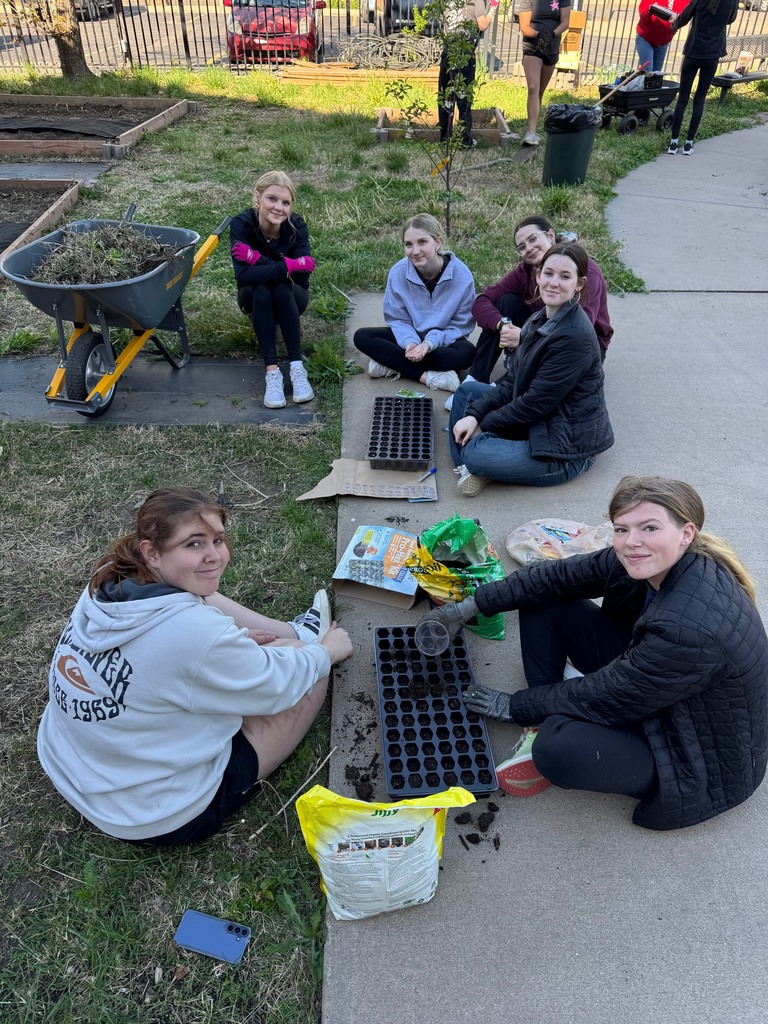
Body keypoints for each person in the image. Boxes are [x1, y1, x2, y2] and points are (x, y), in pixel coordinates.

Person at [419, 476, 768, 831]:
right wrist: (468, 607)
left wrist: (514, 705)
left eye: (649, 528)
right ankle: (544, 716)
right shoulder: (645, 561)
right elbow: (554, 577)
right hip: (660, 682)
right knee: (544, 599)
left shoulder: (687, 629)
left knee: (555, 750)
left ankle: (546, 722)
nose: (632, 542)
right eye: (622, 529)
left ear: (686, 532)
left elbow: (608, 693)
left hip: (695, 749)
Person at [37, 487, 353, 846]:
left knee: (201, 593)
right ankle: (308, 637)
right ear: (151, 552)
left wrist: (220, 651)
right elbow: (277, 685)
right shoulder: (194, 634)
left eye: (217, 539)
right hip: (154, 813)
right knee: (306, 668)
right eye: (194, 544)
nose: (215, 556)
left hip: (69, 761)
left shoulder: (109, 579)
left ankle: (298, 632)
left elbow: (170, 650)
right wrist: (325, 653)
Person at [449, 241, 613, 496]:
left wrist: (483, 423)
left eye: (565, 276)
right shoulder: (538, 319)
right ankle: (472, 468)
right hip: (540, 422)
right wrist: (475, 415)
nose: (553, 282)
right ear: (538, 276)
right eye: (548, 273)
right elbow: (512, 381)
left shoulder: (575, 336)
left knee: (474, 447)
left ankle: (475, 461)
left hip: (563, 449)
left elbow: (536, 403)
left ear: (579, 284)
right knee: (466, 392)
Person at [468, 215, 613, 387]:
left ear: (550, 235)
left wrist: (524, 338)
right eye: (522, 247)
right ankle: (475, 379)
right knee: (505, 302)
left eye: (533, 239)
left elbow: (578, 333)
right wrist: (503, 325)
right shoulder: (526, 271)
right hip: (540, 331)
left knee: (541, 376)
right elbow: (482, 301)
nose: (528, 248)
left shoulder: (584, 270)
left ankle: (500, 389)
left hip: (583, 347)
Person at [353, 213, 477, 395]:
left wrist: (428, 344)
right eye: (408, 244)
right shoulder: (398, 273)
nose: (415, 250)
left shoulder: (462, 275)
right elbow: (397, 319)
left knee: (467, 353)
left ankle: (391, 364)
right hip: (408, 339)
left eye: (422, 242)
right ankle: (430, 377)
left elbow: (460, 326)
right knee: (362, 337)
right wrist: (410, 343)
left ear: (438, 242)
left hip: (442, 343)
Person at [230, 170, 316, 410]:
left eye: (285, 202)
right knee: (260, 288)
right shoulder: (242, 224)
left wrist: (256, 259)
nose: (279, 207)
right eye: (272, 199)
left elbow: (303, 274)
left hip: (293, 298)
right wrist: (288, 265)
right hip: (251, 299)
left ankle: (297, 368)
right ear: (257, 198)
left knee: (279, 287)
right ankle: (273, 372)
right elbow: (243, 275)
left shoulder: (297, 226)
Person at [667, 0, 739, 155]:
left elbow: (683, 18)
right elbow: (730, 20)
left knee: (683, 99)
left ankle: (673, 144)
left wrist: (673, 25)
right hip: (712, 55)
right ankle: (688, 144)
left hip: (693, 52)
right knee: (699, 100)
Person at [438, 0, 498, 149]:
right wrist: (493, 8)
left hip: (448, 51)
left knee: (446, 95)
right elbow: (482, 24)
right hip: (464, 52)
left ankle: (445, 137)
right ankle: (464, 140)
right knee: (463, 96)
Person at [517, 0, 571, 146]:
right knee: (533, 87)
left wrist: (552, 34)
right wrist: (539, 34)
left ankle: (535, 126)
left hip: (551, 48)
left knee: (540, 91)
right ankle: (531, 132)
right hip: (533, 47)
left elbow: (565, 22)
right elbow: (524, 27)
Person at [635, 0, 689, 76]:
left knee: (656, 74)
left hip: (663, 41)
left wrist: (676, 26)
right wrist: (649, 9)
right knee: (647, 71)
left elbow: (687, 14)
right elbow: (642, 10)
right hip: (645, 38)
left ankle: (651, 87)